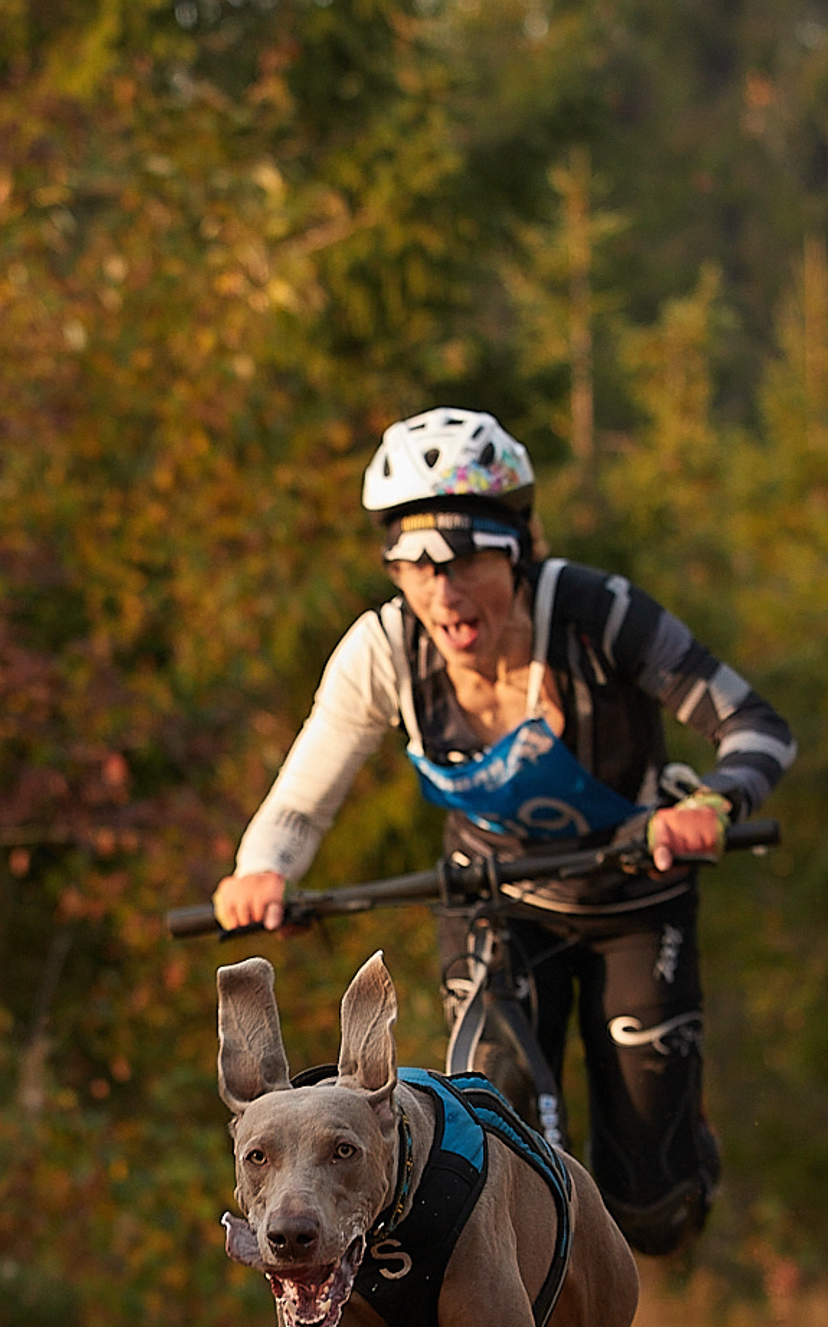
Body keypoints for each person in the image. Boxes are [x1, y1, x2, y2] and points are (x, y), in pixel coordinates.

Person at [212, 408, 794, 1255]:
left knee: (651, 1209)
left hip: (635, 903)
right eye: (413, 564)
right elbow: (301, 801)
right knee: (486, 1141)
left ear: (519, 547)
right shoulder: (384, 648)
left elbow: (757, 724)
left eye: (466, 560)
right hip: (492, 908)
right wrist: (261, 869)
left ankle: (673, 1147)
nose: (441, 591)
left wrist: (710, 804)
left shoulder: (601, 615)